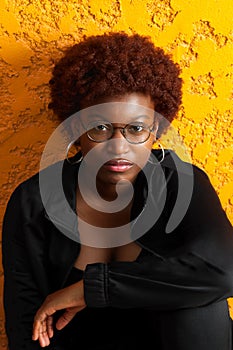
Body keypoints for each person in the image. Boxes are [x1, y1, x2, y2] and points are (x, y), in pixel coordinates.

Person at [2, 32, 233, 350]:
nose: (118, 147)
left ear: (156, 131)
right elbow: (26, 324)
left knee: (200, 301)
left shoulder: (182, 183)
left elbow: (224, 271)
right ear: (75, 129)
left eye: (137, 128)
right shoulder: (34, 203)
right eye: (99, 128)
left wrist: (92, 289)